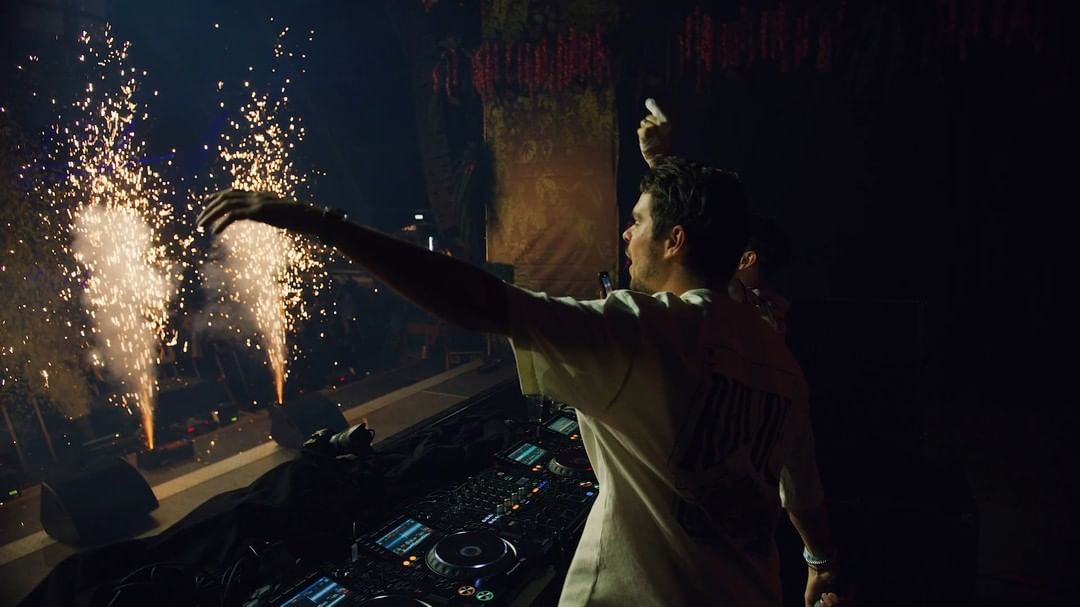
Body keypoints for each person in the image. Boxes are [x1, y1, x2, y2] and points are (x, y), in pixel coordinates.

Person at [198, 156, 841, 606]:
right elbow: (803, 493)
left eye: (638, 221)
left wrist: (324, 225)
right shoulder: (777, 357)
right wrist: (819, 564)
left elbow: (480, 301)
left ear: (674, 240)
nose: (626, 233)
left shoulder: (646, 331)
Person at [639, 99, 791, 336]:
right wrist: (658, 164)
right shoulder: (761, 315)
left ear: (747, 259)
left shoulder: (743, 312)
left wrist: (659, 163)